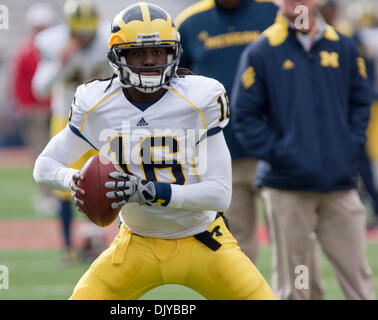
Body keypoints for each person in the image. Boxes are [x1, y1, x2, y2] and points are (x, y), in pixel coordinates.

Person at [33, 2, 276, 300]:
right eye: (138, 52)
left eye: (158, 52)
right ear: (118, 56)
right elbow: (44, 165)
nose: (149, 61)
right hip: (137, 242)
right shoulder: (96, 101)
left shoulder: (200, 98)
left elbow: (220, 193)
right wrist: (77, 181)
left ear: (172, 53)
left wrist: (147, 190)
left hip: (203, 240)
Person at [232, 0, 376, 300]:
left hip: (339, 185)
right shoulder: (262, 51)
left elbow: (361, 101)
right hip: (289, 189)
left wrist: (348, 146)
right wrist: (281, 154)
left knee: (357, 277)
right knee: (298, 282)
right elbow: (244, 115)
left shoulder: (344, 47)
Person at [175, 0, 277, 264]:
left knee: (291, 238)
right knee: (237, 244)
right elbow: (174, 84)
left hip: (274, 150)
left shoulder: (273, 12)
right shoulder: (189, 23)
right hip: (222, 154)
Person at [32, 0, 111, 265]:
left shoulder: (109, 39)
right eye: (80, 30)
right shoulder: (54, 43)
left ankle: (98, 241)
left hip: (101, 120)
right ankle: (67, 247)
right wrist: (59, 64)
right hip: (66, 120)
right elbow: (39, 89)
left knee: (107, 179)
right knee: (64, 186)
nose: (85, 36)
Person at [319, 0, 378, 231]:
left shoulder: (345, 34)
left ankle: (371, 205)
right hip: (335, 109)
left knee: (359, 159)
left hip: (347, 109)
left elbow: (362, 75)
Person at [12, 2, 58, 217]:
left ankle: (59, 195)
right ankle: (46, 196)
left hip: (57, 108)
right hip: (36, 109)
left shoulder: (57, 47)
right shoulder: (26, 51)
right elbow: (19, 82)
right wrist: (23, 105)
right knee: (41, 154)